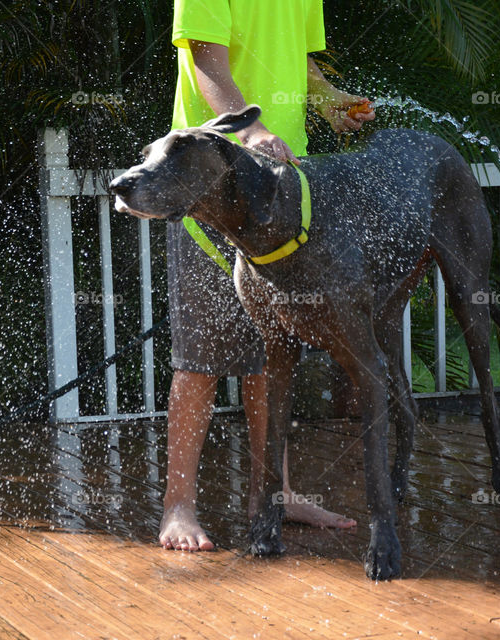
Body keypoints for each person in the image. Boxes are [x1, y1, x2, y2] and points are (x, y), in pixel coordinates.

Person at [161, 0, 376, 551]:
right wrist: (249, 130)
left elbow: (301, 66)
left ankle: (274, 498)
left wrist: (332, 103)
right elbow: (208, 61)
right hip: (208, 187)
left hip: (282, 195)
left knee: (270, 355)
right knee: (200, 361)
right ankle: (178, 507)